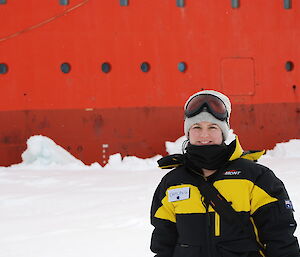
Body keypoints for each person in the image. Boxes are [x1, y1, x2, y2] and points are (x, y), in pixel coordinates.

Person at [150, 90, 300, 257]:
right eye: (197, 127)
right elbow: (163, 245)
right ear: (188, 132)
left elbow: (281, 240)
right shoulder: (172, 183)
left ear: (223, 132)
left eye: (212, 127)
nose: (204, 134)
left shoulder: (255, 178)